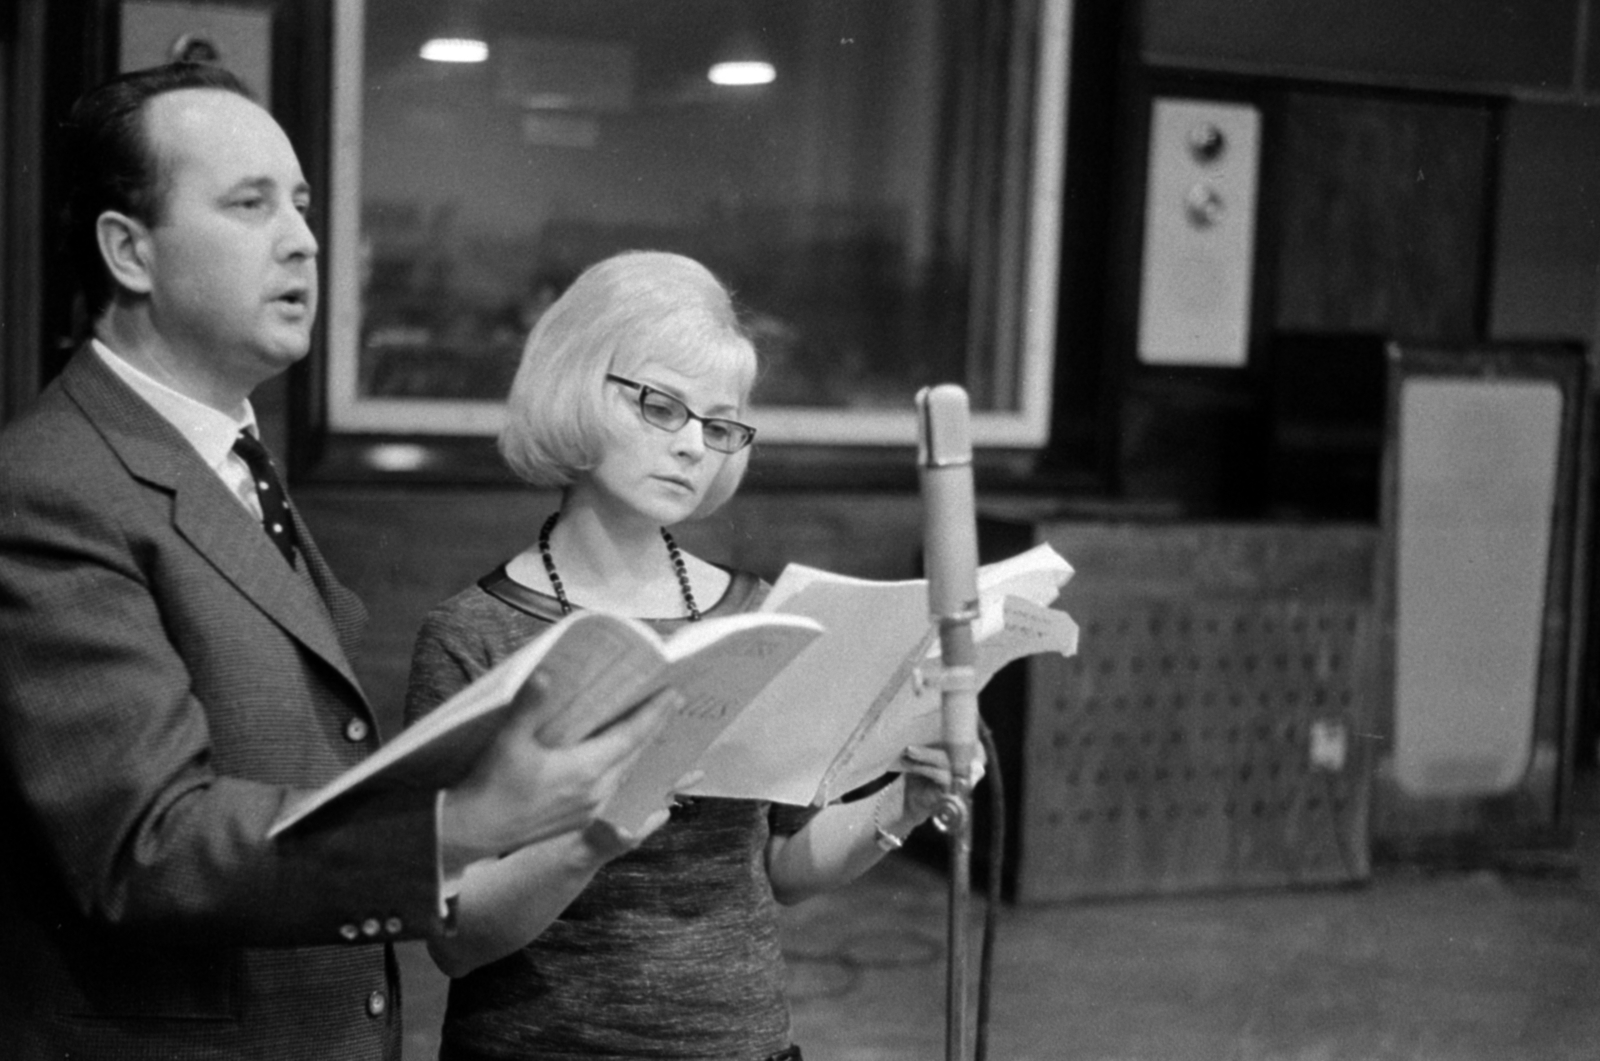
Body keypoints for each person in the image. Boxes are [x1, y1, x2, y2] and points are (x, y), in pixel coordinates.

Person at [0, 63, 671, 1061]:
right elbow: (148, 844)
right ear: (128, 251)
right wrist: (461, 818)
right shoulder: (51, 481)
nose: (305, 238)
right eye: (249, 203)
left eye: (305, 205)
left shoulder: (226, 451)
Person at [405, 250, 975, 1061]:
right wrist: (590, 841)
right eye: (660, 406)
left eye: (716, 425)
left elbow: (780, 864)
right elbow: (454, 937)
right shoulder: (473, 634)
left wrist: (901, 807)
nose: (691, 448)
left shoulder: (755, 613)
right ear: (573, 383)